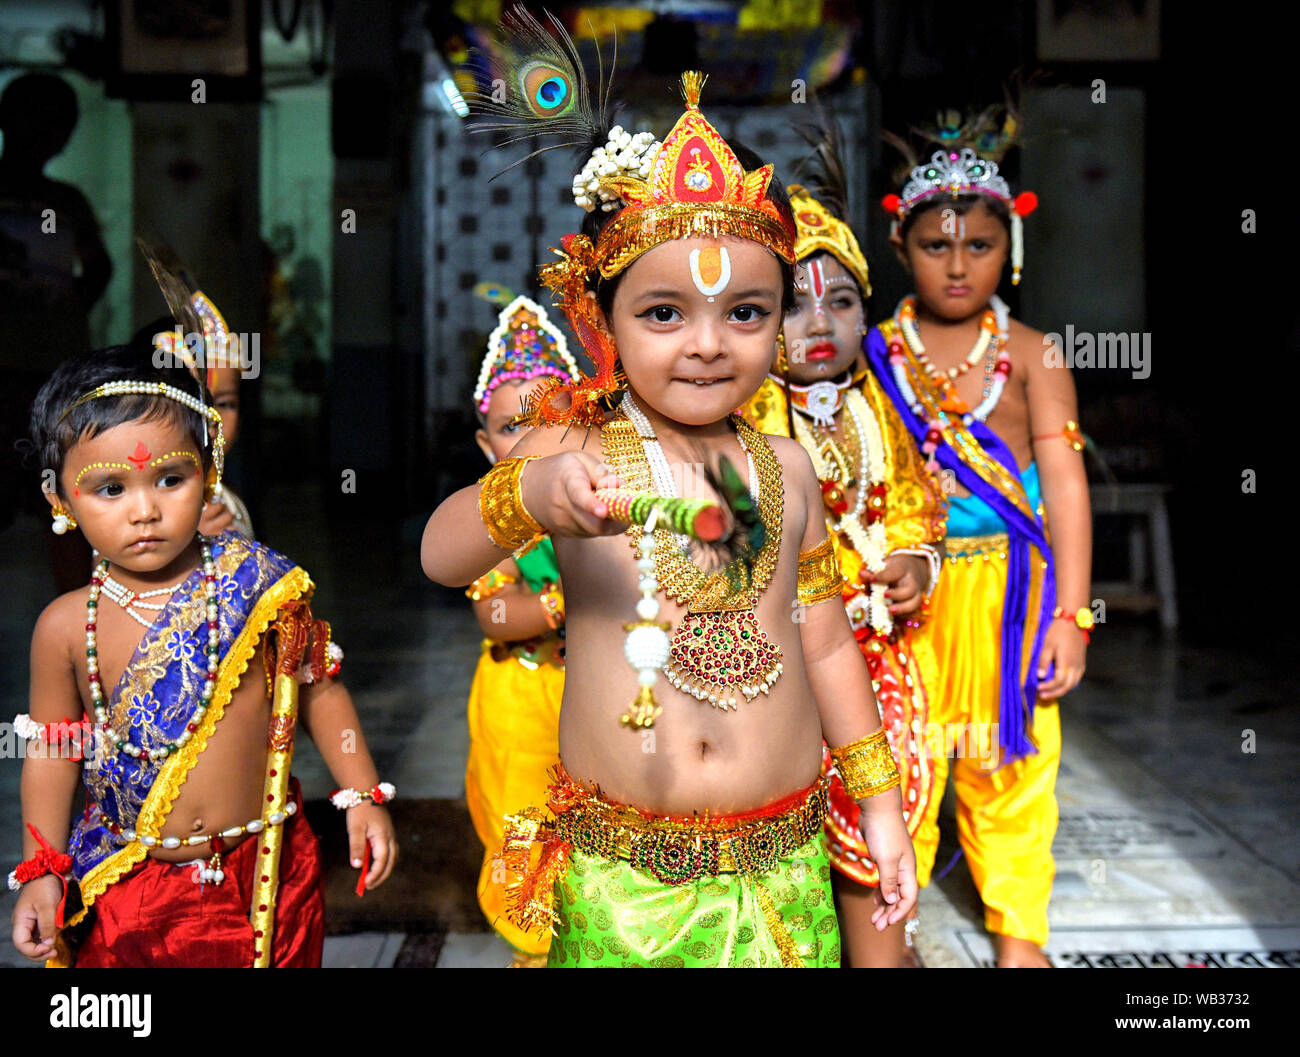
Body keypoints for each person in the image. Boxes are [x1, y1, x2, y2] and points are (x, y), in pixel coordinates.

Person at [422, 60, 916, 967]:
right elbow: (440, 556)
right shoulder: (572, 451)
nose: (706, 342)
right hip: (625, 882)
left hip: (783, 869)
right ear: (601, 319)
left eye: (746, 311)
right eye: (664, 311)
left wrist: (880, 806)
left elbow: (828, 642)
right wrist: (527, 498)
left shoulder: (788, 470)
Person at [9, 335, 397, 967]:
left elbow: (319, 689)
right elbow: (55, 752)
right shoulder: (63, 626)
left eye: (170, 478)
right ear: (60, 500)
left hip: (267, 875)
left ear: (209, 472)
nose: (145, 510)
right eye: (109, 488)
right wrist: (41, 869)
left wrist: (360, 797)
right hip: (131, 888)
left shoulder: (258, 585)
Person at [866, 112, 1092, 967]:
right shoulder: (872, 354)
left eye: (980, 246)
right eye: (934, 245)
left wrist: (1073, 613)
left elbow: (1064, 485)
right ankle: (899, 917)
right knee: (901, 755)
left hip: (1014, 590)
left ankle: (1019, 929)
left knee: (1013, 759)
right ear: (899, 242)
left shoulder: (1036, 354)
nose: (958, 266)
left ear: (1013, 245)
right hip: (907, 591)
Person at [743, 177, 946, 966]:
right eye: (792, 305)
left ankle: (881, 949)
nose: (819, 323)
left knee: (876, 812)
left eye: (842, 301)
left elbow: (918, 502)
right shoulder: (745, 414)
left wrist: (916, 561)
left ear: (870, 311)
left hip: (873, 654)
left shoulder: (886, 405)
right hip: (776, 662)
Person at [463, 293, 579, 967]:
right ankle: (532, 948)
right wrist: (571, 600)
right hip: (523, 693)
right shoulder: (496, 519)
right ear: (486, 447)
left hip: (600, 689)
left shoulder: (602, 503)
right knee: (523, 821)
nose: (531, 436)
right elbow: (494, 614)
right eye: (512, 426)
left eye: (550, 418)